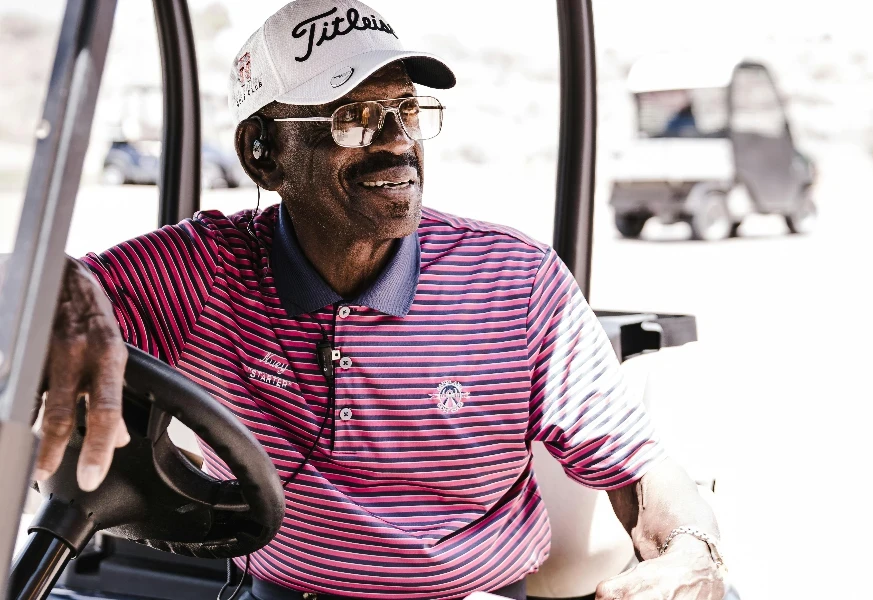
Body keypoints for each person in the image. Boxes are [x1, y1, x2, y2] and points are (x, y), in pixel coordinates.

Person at [32, 1, 726, 599]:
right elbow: (36, 284)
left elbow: (638, 466)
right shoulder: (205, 269)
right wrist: (68, 295)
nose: (398, 142)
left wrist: (693, 549)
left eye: (408, 111)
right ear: (263, 154)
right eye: (356, 117)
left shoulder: (516, 283)